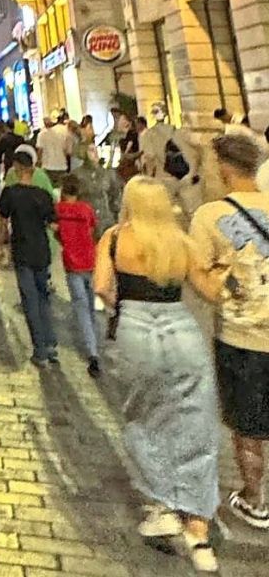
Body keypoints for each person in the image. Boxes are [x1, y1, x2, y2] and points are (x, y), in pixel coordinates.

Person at [96, 178, 220, 572]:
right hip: (181, 330)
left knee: (143, 420)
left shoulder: (115, 238)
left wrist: (121, 308)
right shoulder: (181, 242)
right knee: (196, 422)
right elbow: (211, 292)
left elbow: (101, 286)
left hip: (135, 330)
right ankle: (198, 528)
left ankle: (161, 504)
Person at [189, 134, 269, 531]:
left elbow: (201, 283)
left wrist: (232, 284)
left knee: (248, 423)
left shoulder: (209, 216)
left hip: (242, 338)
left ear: (223, 167)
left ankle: (255, 498)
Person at [0, 150, 58, 367]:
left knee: (29, 299)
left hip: (22, 251)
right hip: (42, 250)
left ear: (15, 167)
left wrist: (0, 245)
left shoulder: (10, 193)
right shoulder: (43, 195)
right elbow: (53, 225)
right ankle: (50, 343)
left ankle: (39, 350)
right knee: (43, 297)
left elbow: (3, 222)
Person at [55, 175, 101, 377]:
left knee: (81, 306)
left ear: (64, 191)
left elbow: (57, 233)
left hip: (72, 264)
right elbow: (92, 231)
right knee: (89, 305)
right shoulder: (86, 210)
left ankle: (92, 352)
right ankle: (94, 341)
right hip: (90, 261)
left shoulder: (59, 210)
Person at [37, 112, 74, 187]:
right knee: (61, 189)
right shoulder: (65, 132)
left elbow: (40, 151)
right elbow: (68, 152)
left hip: (47, 167)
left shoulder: (42, 134)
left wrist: (38, 164)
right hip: (62, 166)